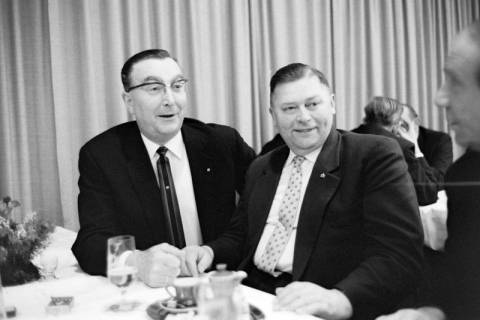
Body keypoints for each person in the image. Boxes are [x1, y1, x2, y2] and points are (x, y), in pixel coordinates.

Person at [182, 63, 424, 320]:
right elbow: (240, 236)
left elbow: (399, 254)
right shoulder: (262, 166)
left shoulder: (372, 155)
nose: (303, 117)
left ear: (331, 103)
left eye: (312, 104)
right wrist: (208, 252)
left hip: (319, 304)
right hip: (252, 297)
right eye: (289, 108)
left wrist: (338, 298)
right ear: (273, 115)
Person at [71, 49, 256, 287]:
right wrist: (136, 261)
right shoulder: (103, 156)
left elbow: (266, 207)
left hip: (222, 283)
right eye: (155, 88)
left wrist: (214, 250)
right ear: (129, 101)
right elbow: (90, 241)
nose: (170, 99)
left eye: (177, 86)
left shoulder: (222, 143)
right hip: (153, 291)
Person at [376, 21, 480, 320]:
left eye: (456, 82)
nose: (440, 98)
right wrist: (429, 315)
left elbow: (427, 191)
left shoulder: (440, 144)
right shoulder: (467, 174)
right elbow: (462, 295)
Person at [352, 97, 438, 205]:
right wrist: (415, 146)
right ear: (395, 121)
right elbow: (427, 195)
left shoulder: (345, 139)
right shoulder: (400, 146)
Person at [398, 103, 453, 187]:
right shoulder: (388, 141)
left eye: (403, 125)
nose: (398, 131)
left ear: (416, 122)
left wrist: (415, 148)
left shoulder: (439, 140)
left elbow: (438, 181)